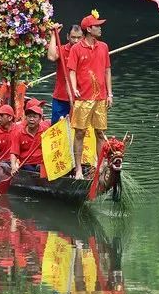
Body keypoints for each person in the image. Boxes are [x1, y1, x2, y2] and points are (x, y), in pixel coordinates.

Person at [67, 10, 112, 180]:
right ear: (88, 29)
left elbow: (107, 71)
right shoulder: (76, 49)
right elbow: (71, 71)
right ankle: (78, 169)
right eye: (97, 26)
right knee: (79, 133)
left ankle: (99, 166)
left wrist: (110, 94)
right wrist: (74, 88)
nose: (100, 29)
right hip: (83, 98)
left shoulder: (104, 47)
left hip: (100, 98)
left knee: (100, 133)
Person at [47, 24, 84, 125]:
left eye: (79, 38)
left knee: (79, 129)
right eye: (73, 37)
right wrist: (54, 35)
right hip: (61, 97)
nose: (76, 41)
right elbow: (51, 57)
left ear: (83, 37)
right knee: (57, 126)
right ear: (68, 37)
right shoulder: (62, 49)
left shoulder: (86, 52)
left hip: (80, 97)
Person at [10, 103, 49, 173]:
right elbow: (13, 153)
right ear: (26, 118)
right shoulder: (19, 133)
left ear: (40, 119)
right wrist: (13, 166)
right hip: (25, 164)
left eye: (34, 117)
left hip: (41, 164)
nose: (31, 119)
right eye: (29, 116)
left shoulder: (46, 131)